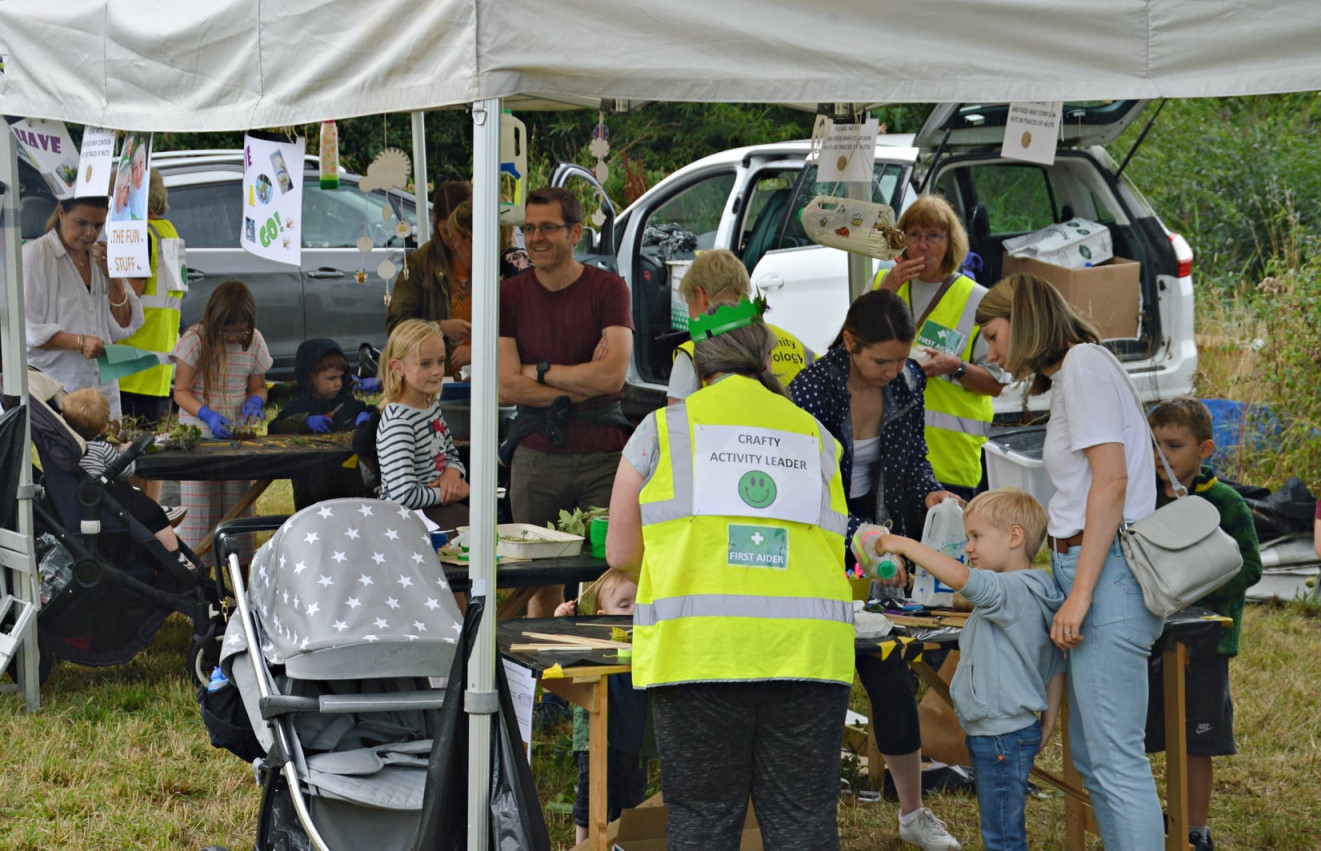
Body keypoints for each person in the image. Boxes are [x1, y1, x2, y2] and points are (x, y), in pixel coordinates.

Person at [606, 298, 854, 850]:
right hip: (810, 654)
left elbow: (621, 550)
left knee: (703, 820)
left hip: (702, 653)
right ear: (764, 358)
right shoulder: (815, 434)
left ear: (697, 363)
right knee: (803, 822)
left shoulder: (662, 429)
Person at [975, 271, 1165, 850]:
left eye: (994, 334)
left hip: (1102, 574)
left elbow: (1110, 484)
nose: (992, 352)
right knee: (1093, 755)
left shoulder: (1082, 367)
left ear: (1024, 321)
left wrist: (1079, 594)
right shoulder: (1081, 370)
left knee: (1112, 760)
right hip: (1089, 569)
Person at [789, 289, 964, 851]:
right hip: (822, 535)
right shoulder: (811, 390)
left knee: (891, 669)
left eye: (900, 359)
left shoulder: (911, 379)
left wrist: (933, 493)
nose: (894, 372)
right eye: (880, 361)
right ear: (849, 343)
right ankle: (809, 811)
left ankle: (913, 812)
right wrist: (853, 539)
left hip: (883, 534)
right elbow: (804, 491)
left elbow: (913, 460)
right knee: (823, 674)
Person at [873, 488, 1066, 851]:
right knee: (1000, 824)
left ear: (1014, 537)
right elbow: (1056, 663)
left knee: (1002, 836)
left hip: (1000, 734)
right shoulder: (1036, 590)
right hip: (1009, 730)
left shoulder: (1007, 590)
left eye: (976, 537)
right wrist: (1048, 719)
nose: (969, 547)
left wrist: (903, 543)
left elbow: (962, 578)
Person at [498, 186, 633, 618]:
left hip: (602, 455)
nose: (535, 237)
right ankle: (545, 679)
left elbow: (612, 375)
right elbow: (504, 386)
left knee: (613, 573)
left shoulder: (610, 289)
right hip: (536, 454)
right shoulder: (510, 296)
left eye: (547, 227)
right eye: (528, 228)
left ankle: (599, 678)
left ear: (575, 232)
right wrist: (581, 383)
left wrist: (539, 371)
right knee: (540, 581)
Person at [1144, 397, 1263, 851]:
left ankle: (1194, 829)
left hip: (1206, 644)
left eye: (1173, 445)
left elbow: (1250, 567)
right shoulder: (1143, 496)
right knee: (1156, 734)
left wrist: (1199, 581)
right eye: (1154, 446)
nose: (1162, 457)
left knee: (1196, 740)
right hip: (1152, 638)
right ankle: (1159, 815)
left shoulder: (1226, 502)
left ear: (1205, 448)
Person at [874, 195, 1003, 500]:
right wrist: (887, 290)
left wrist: (953, 366)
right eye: (914, 235)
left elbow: (996, 382)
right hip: (886, 457)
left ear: (950, 243)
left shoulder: (976, 299)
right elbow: (850, 347)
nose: (923, 245)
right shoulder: (883, 282)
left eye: (934, 236)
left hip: (948, 463)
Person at [386, 182, 530, 375]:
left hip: (492, 374)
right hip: (445, 376)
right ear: (436, 228)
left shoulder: (507, 264)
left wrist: (478, 352)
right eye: (447, 232)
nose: (452, 242)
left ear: (471, 233)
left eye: (456, 233)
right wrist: (440, 327)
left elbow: (524, 333)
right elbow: (398, 326)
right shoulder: (419, 263)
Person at [170, 280, 271, 555]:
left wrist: (255, 400)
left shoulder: (255, 341)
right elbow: (180, 391)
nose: (235, 338)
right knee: (199, 514)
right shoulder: (195, 339)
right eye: (229, 332)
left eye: (242, 331)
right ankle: (200, 584)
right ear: (215, 321)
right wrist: (206, 414)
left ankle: (241, 578)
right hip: (198, 438)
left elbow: (258, 386)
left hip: (236, 437)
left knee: (239, 513)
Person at [23, 196, 144, 420]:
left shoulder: (100, 256)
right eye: (81, 223)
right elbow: (27, 329)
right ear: (61, 213)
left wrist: (113, 277)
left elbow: (124, 324)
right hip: (57, 389)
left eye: (98, 225)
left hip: (102, 389)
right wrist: (79, 342)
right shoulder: (36, 255)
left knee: (109, 451)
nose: (90, 233)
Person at [553, 569, 648, 846]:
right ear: (601, 611)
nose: (633, 611)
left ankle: (621, 843)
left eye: (638, 603)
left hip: (633, 735)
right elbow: (563, 649)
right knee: (590, 796)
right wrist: (562, 622)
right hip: (597, 733)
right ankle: (583, 845)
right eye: (624, 605)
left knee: (630, 798)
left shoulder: (645, 635)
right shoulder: (594, 636)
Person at [62, 387, 192, 571]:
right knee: (154, 513)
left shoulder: (64, 450)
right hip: (108, 502)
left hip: (80, 502)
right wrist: (124, 452)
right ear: (104, 428)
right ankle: (175, 556)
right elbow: (125, 471)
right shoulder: (103, 448)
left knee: (135, 495)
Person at [666, 248, 813, 404]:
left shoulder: (692, 352)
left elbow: (674, 420)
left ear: (701, 295)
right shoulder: (794, 344)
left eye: (689, 305)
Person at [375, 319, 469, 529]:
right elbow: (403, 495)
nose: (437, 370)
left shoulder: (431, 406)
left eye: (440, 360)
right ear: (398, 367)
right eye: (425, 363)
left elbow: (451, 455)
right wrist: (451, 493)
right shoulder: (399, 424)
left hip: (436, 515)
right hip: (407, 527)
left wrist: (452, 473)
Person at [268, 339, 376, 510]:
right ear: (310, 377)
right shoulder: (298, 406)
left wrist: (368, 417)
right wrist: (306, 420)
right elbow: (274, 428)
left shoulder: (347, 403)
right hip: (310, 486)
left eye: (341, 376)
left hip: (349, 486)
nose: (338, 383)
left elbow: (373, 415)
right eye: (331, 378)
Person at [118, 168, 186, 429]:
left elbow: (129, 295)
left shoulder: (138, 234)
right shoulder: (167, 231)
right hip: (158, 360)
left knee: (124, 452)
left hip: (128, 361)